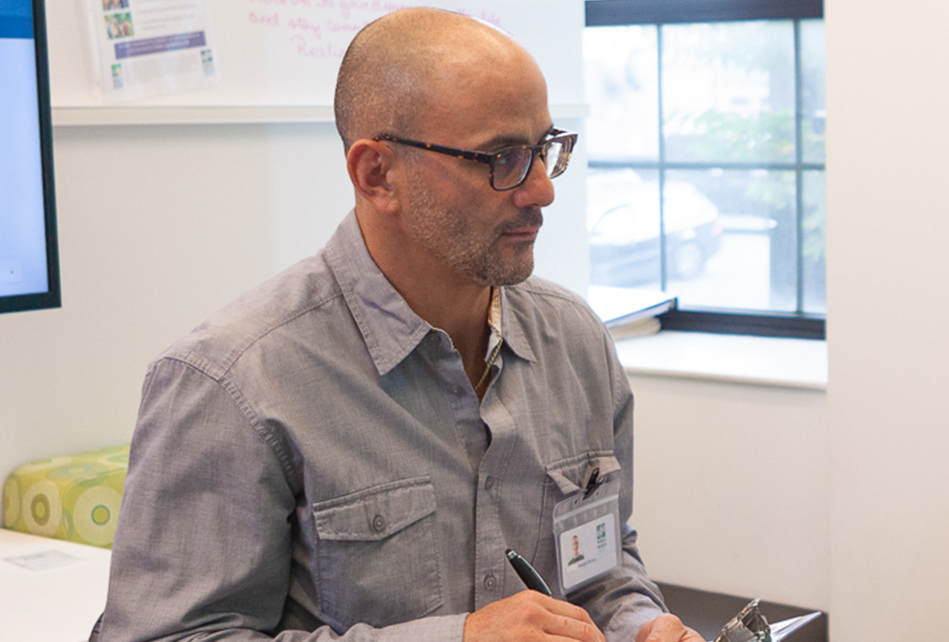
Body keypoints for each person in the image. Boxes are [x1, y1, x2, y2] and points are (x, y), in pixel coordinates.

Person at [93, 8, 703, 642]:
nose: (543, 190)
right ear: (378, 175)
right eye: (502, 158)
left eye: (546, 149)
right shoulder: (232, 382)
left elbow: (600, 569)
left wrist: (641, 624)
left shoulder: (576, 343)